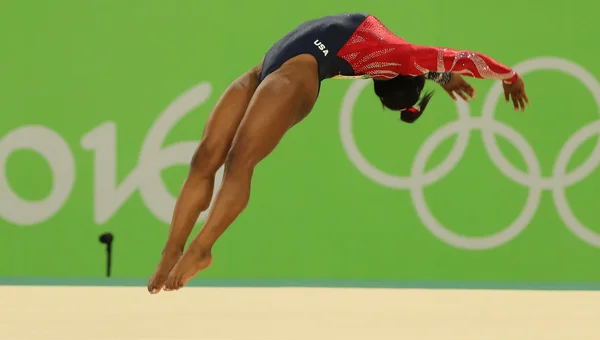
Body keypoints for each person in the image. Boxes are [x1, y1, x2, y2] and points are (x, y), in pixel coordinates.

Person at [147, 12, 529, 293]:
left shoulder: (394, 62)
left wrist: (480, 77)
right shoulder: (404, 58)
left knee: (238, 160)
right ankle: (172, 248)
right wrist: (491, 76)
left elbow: (456, 63)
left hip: (292, 75)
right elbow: (466, 61)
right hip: (267, 70)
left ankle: (201, 248)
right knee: (205, 157)